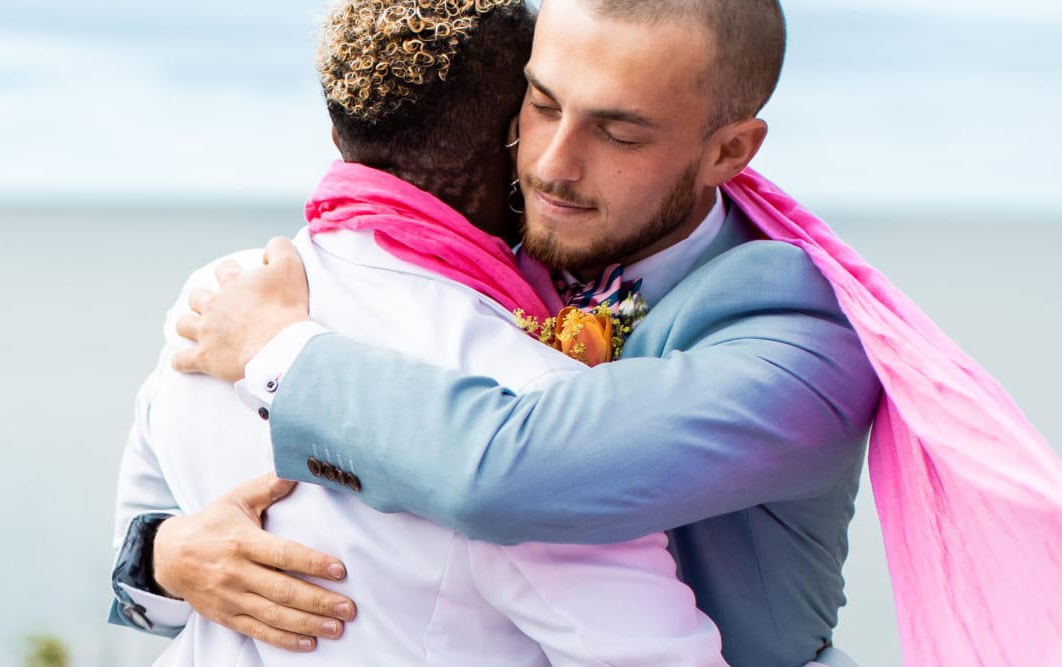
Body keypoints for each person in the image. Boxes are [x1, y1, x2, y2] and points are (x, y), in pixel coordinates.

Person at [112, 2, 884, 665]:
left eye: (617, 133)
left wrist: (279, 350)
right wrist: (167, 556)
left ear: (729, 150)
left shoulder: (801, 339)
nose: (551, 165)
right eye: (542, 104)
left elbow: (513, 470)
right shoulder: (475, 259)